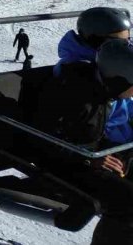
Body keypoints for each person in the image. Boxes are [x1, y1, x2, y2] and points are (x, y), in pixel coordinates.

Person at [34, 39, 133, 243]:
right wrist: (88, 160)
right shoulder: (77, 97)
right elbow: (46, 143)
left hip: (92, 157)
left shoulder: (104, 92)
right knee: (128, 203)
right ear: (120, 79)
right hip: (69, 167)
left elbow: (100, 134)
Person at [55, 7, 132, 76]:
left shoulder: (109, 54)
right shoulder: (75, 68)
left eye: (127, 38)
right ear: (96, 40)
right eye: (119, 41)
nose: (126, 44)